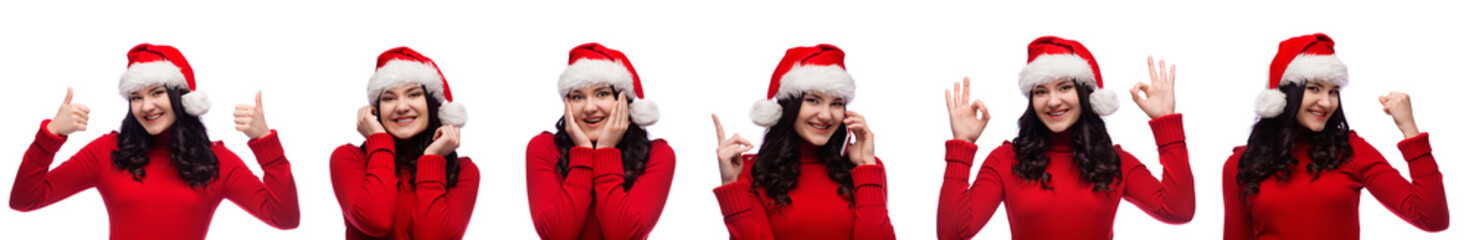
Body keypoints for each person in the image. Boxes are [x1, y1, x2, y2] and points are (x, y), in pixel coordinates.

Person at [9, 43, 300, 240]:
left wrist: (265, 142)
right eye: (136, 97)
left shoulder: (216, 161)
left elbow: (284, 218)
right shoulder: (107, 152)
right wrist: (50, 136)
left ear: (180, 97)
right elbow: (25, 200)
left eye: (157, 93)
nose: (146, 106)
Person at [936, 36, 1194, 239]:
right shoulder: (1005, 161)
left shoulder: (1114, 162)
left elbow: (1178, 210)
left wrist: (1165, 123)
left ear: (1084, 95)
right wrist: (963, 144)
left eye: (1064, 87)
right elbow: (952, 233)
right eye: (1040, 91)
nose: (1053, 101)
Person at [1221, 33, 1449, 240]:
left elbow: (1432, 218)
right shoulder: (1240, 165)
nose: (1327, 102)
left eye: (1333, 91)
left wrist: (1409, 130)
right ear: (1286, 94)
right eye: (1314, 88)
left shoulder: (1351, 150)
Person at [712, 44, 895, 240]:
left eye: (836, 103)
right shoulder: (749, 170)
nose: (825, 115)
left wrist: (866, 166)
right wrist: (731, 185)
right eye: (813, 100)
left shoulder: (865, 168)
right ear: (790, 106)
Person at [526, 43, 676, 240]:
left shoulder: (658, 155)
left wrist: (606, 151)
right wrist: (584, 154)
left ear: (624, 101)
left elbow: (624, 236)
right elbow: (556, 236)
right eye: (578, 97)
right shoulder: (543, 148)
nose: (589, 108)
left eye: (602, 94)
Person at [330, 47, 480, 239]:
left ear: (431, 104)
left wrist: (432, 160)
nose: (401, 107)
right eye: (389, 98)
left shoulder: (464, 171)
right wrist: (379, 141)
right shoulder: (348, 159)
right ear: (375, 110)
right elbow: (375, 221)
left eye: (413, 94)